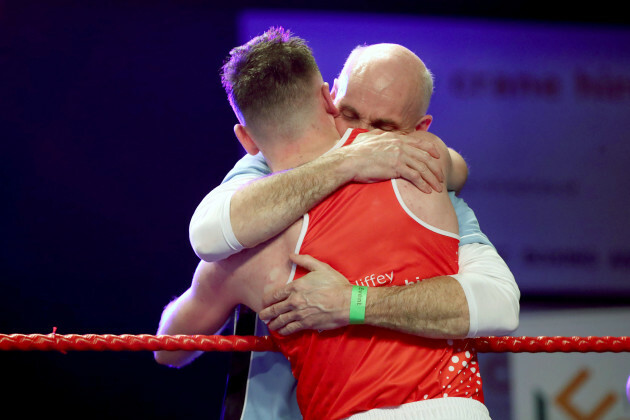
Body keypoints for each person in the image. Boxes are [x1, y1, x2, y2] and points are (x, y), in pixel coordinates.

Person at [156, 27, 503, 419]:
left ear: (246, 137)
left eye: (383, 127)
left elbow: (169, 345)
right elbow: (206, 233)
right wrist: (350, 161)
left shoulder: (414, 162)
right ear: (329, 97)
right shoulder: (250, 189)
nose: (365, 135)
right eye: (351, 115)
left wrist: (351, 303)